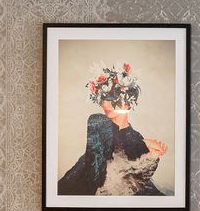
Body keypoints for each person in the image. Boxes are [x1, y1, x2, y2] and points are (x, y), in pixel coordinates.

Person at [57, 63, 168, 196]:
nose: (106, 102)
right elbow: (96, 168)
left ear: (127, 104)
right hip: (84, 187)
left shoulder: (136, 138)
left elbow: (130, 180)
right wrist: (145, 143)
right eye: (104, 96)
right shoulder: (98, 123)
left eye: (113, 97)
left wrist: (151, 153)